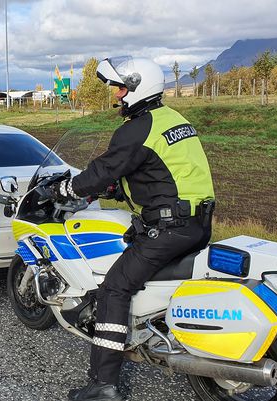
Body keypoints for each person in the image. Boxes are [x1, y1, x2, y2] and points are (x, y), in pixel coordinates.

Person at [51, 57, 215, 401]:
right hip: (197, 222)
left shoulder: (137, 127)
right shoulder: (174, 121)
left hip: (170, 228)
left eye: (122, 88)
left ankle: (103, 384)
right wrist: (115, 188)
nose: (118, 96)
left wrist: (67, 189)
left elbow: (103, 168)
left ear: (139, 88)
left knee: (114, 289)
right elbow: (158, 173)